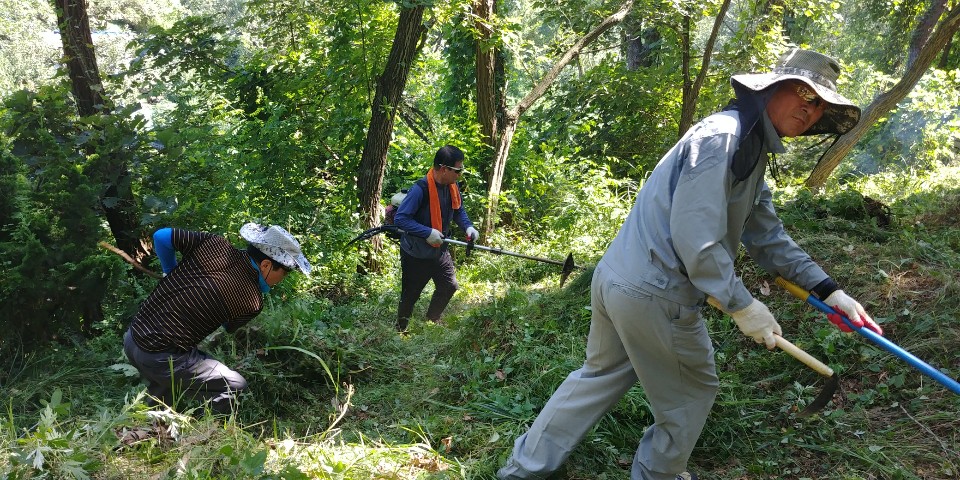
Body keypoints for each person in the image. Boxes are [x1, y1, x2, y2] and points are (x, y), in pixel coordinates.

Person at [497, 48, 885, 480]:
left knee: (598, 377)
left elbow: (768, 236)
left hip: (620, 281)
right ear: (771, 88)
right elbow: (694, 239)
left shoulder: (750, 150)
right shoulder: (725, 139)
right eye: (802, 95)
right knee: (692, 394)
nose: (809, 111)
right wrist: (742, 305)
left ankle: (522, 470)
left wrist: (829, 289)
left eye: (818, 106)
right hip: (656, 293)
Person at [123, 223, 311, 414]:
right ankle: (205, 437)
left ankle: (149, 427)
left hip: (133, 337)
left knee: (171, 377)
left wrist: (169, 270)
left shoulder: (214, 244)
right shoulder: (253, 301)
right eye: (284, 274)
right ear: (266, 265)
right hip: (160, 356)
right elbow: (229, 326)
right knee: (233, 386)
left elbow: (162, 236)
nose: (282, 280)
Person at [393, 145, 479, 332]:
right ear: (443, 169)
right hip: (416, 252)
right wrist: (427, 232)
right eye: (457, 170)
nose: (460, 174)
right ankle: (401, 329)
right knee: (410, 294)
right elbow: (401, 219)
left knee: (449, 286)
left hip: (439, 249)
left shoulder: (452, 187)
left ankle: (433, 318)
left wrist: (468, 226)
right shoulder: (420, 189)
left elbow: (458, 211)